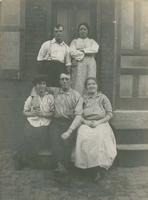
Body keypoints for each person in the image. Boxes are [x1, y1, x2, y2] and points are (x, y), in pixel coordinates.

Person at [74, 77, 117, 181]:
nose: (91, 86)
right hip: (86, 122)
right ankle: (85, 166)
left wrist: (98, 122)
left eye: (93, 84)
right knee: (83, 135)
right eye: (89, 84)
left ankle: (97, 169)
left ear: (97, 86)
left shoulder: (103, 98)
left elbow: (109, 113)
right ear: (86, 87)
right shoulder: (83, 99)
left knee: (98, 137)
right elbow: (78, 114)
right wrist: (86, 122)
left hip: (101, 123)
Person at [14, 75, 54, 169]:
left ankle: (24, 157)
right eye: (39, 84)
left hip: (44, 122)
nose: (41, 86)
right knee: (28, 134)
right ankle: (23, 158)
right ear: (36, 86)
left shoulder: (50, 97)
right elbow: (24, 112)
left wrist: (43, 114)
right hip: (32, 121)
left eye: (43, 84)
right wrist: (33, 113)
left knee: (38, 135)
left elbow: (52, 113)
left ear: (46, 86)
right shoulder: (31, 98)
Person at [48, 73, 83, 176]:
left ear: (71, 81)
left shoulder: (77, 95)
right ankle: (59, 165)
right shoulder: (55, 92)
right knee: (55, 140)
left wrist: (70, 130)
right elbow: (39, 87)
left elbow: (78, 115)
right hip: (56, 122)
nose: (64, 81)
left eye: (67, 79)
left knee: (67, 142)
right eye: (62, 79)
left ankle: (64, 167)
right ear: (59, 81)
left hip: (69, 123)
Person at [70, 23, 99, 94]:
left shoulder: (92, 41)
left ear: (87, 31)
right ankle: (78, 100)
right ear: (78, 31)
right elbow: (72, 52)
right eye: (81, 29)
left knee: (90, 80)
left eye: (84, 29)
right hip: (79, 63)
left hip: (90, 63)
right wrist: (86, 52)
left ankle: (90, 99)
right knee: (79, 81)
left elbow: (95, 50)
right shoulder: (75, 41)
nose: (83, 31)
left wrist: (82, 50)